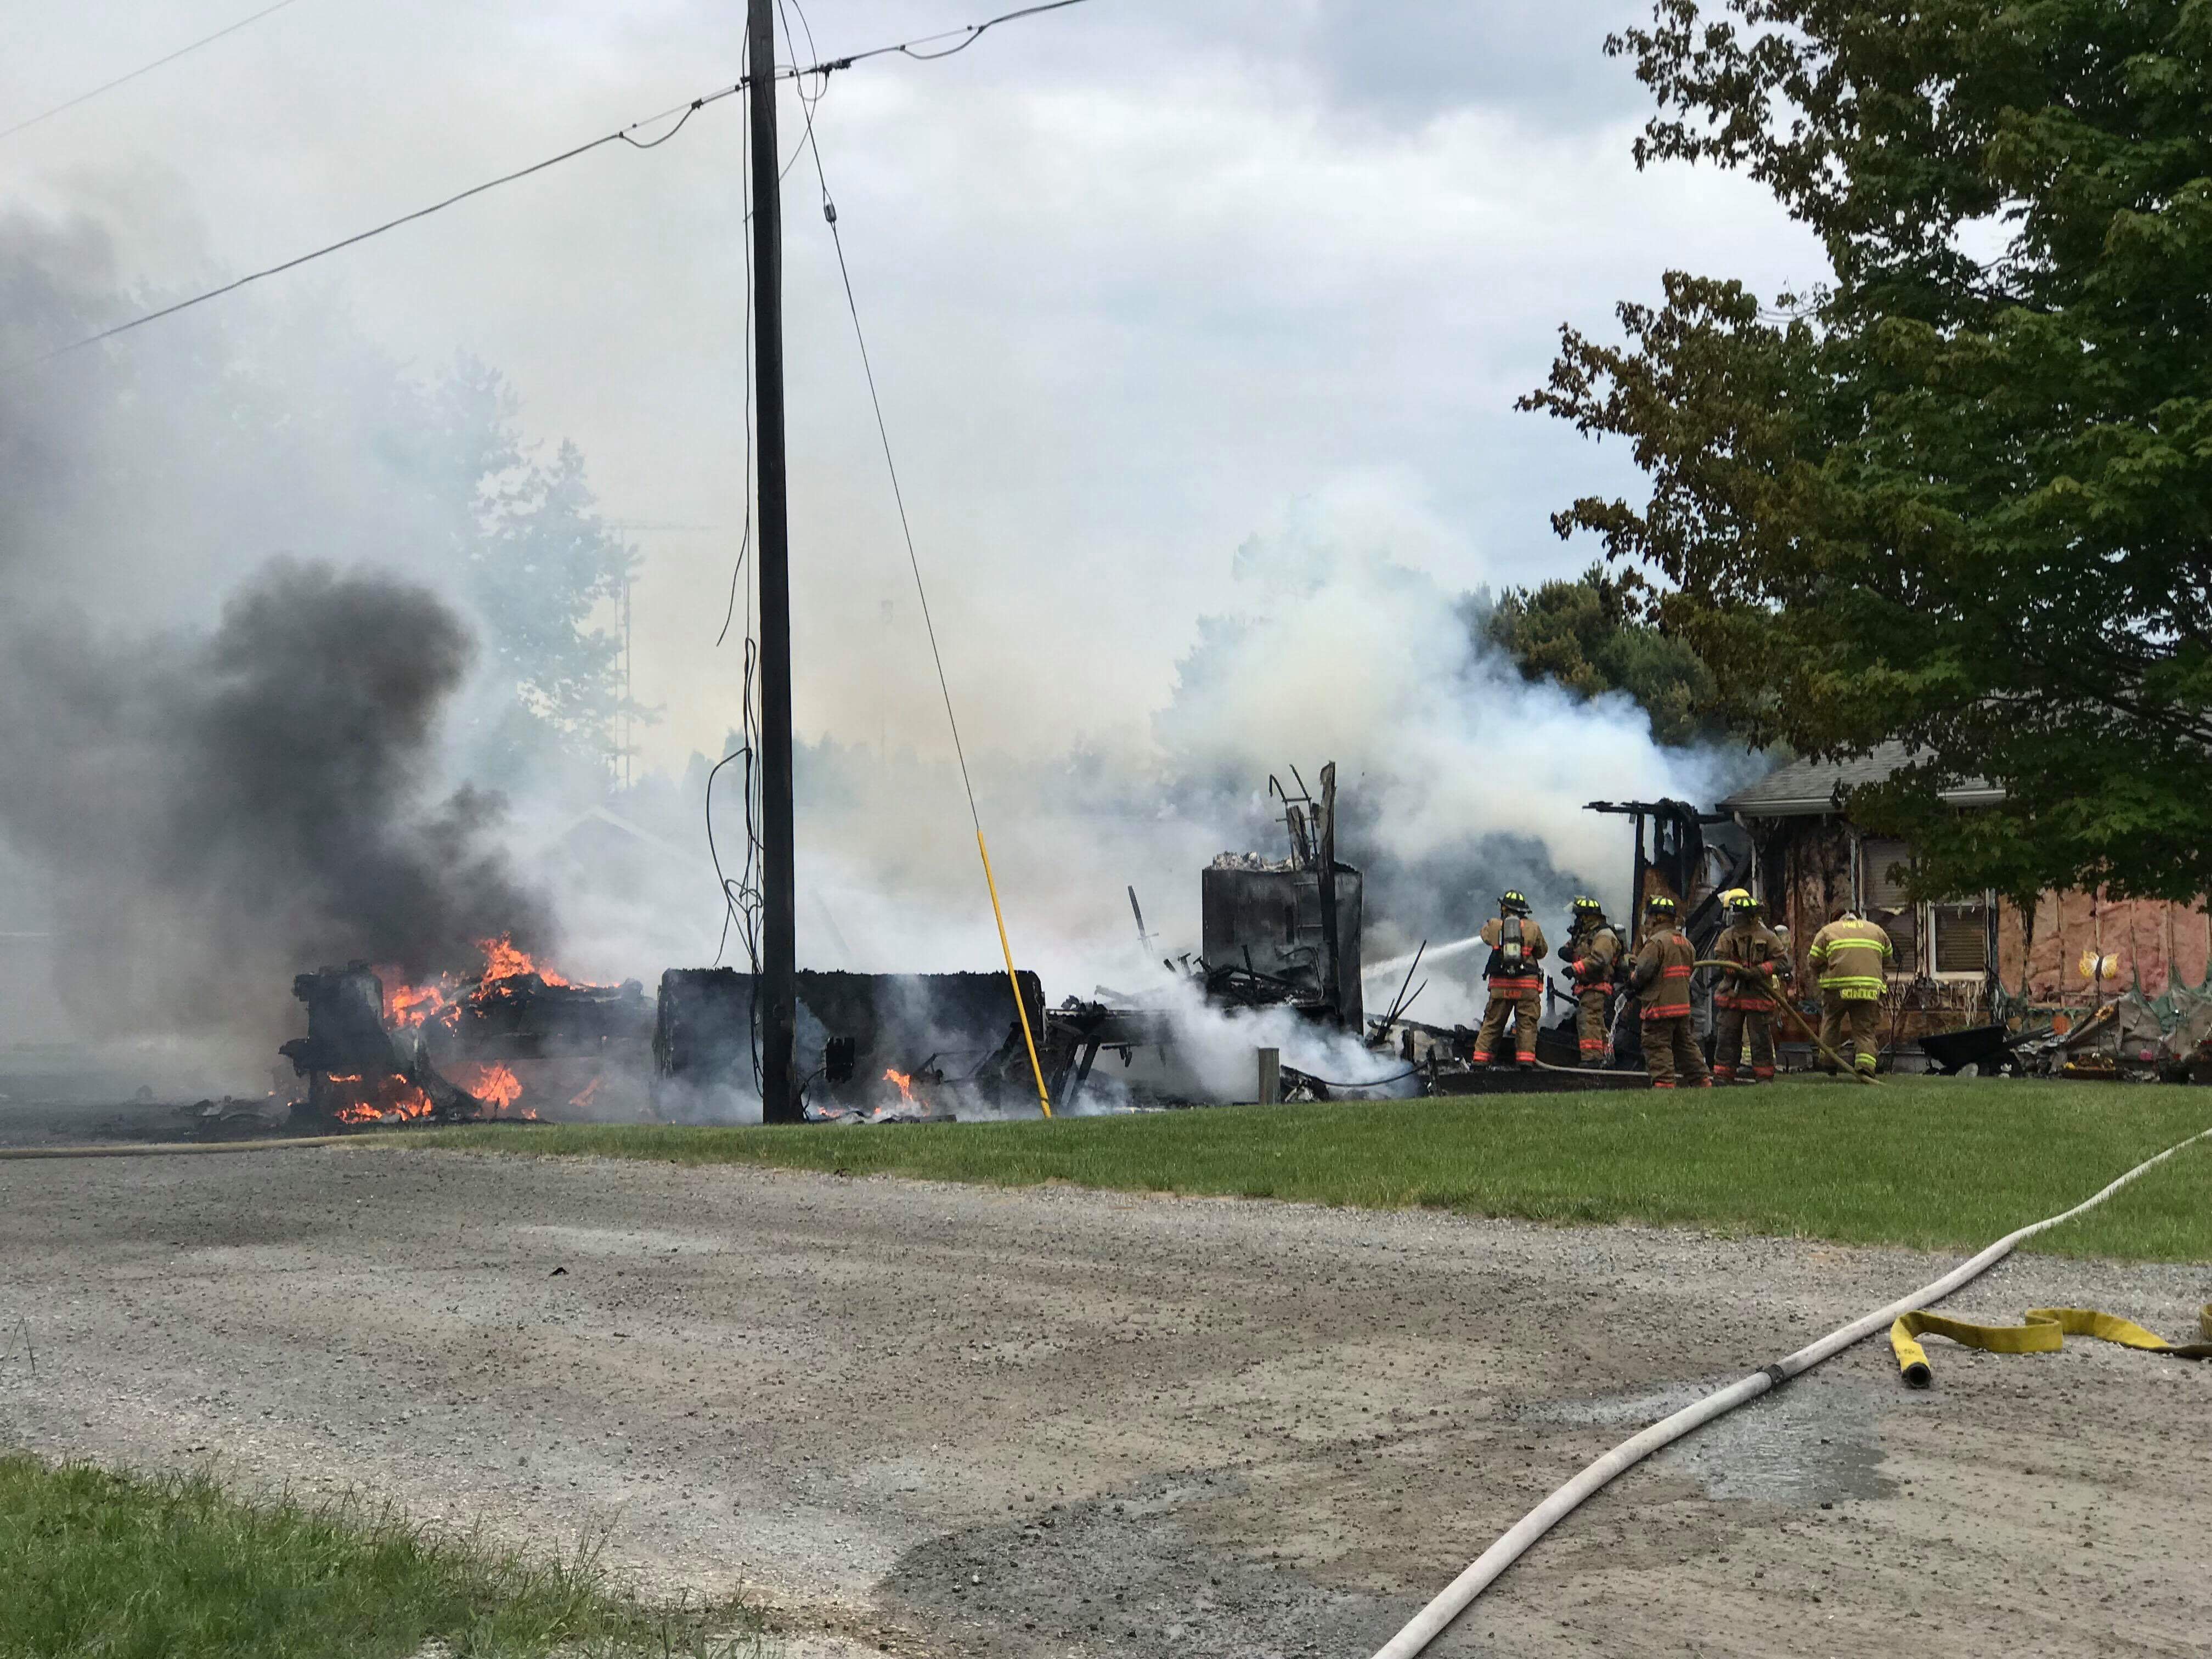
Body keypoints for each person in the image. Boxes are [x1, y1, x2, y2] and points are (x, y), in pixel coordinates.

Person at [1627, 894, 1709, 1089]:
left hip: (1661, 1007)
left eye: (1649, 917)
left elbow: (1643, 972)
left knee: (1658, 1046)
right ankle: (1703, 1082)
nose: (1647, 922)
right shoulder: (1685, 942)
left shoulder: (1656, 942)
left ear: (1656, 918)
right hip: (1681, 1006)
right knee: (1686, 1047)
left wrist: (1632, 978)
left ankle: (1664, 1087)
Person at [1808, 902, 1893, 1077]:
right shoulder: (1876, 931)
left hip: (1837, 989)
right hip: (1869, 990)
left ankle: (1829, 1063)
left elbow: (1814, 960)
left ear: (1838, 919)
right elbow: (1888, 958)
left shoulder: (1828, 931)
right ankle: (1866, 1067)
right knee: (1864, 1030)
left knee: (1832, 1021)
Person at [1709, 891, 1787, 1083]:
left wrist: (1760, 971)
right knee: (1727, 1036)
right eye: (1736, 915)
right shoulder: (1727, 936)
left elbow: (1782, 962)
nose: (1737, 919)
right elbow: (1720, 959)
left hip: (1758, 994)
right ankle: (1723, 1075)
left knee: (1760, 1038)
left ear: (1752, 916)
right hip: (1732, 994)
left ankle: (1764, 1076)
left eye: (1741, 915)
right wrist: (1733, 970)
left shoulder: (1767, 937)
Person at [1471, 890, 1547, 1069]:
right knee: (1526, 1025)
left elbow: (1484, 936)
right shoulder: (1533, 927)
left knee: (1492, 1024)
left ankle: (1480, 1062)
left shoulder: (1494, 925)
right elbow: (1542, 952)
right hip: (1526, 986)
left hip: (1500, 985)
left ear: (1505, 908)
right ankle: (1525, 1062)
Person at [1563, 895, 1621, 1065]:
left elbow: (1599, 960)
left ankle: (1593, 1059)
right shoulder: (1587, 934)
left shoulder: (1603, 935)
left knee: (1588, 1019)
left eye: (1579, 917)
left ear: (1588, 917)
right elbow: (1576, 950)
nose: (1577, 920)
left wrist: (1575, 969)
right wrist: (1567, 952)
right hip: (1589, 986)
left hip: (1597, 985)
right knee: (1597, 1022)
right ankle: (1607, 1057)